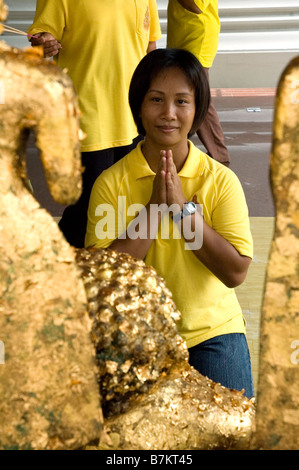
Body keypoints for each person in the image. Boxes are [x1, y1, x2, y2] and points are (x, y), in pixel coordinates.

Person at [85, 48, 254, 398]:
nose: (168, 114)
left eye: (181, 101)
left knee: (234, 433)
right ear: (139, 107)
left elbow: (235, 273)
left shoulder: (220, 181)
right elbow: (103, 285)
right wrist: (155, 211)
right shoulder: (111, 183)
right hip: (136, 334)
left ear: (198, 109)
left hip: (213, 333)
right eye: (156, 99)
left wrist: (182, 213)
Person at [27, 0, 161, 247]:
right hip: (87, 114)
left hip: (132, 116)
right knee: (87, 208)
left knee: (125, 204)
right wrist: (43, 45)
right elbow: (41, 39)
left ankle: (110, 271)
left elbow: (150, 47)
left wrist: (153, 105)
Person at [167, 0, 230, 166]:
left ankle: (220, 157)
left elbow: (195, 6)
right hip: (184, 37)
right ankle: (175, 146)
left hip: (196, 40)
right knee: (187, 95)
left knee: (199, 99)